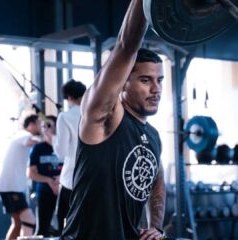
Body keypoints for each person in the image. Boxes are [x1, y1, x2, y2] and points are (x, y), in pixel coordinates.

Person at [61, 1, 166, 239]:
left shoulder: (153, 136)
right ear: (124, 83)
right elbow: (125, 47)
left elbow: (157, 184)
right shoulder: (105, 119)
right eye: (146, 80)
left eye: (160, 81)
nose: (156, 89)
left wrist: (156, 227)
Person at [0, 114, 41, 240]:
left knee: (17, 223)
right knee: (29, 220)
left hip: (9, 186)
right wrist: (48, 138)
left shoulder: (19, 135)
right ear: (31, 125)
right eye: (39, 123)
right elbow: (31, 142)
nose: (41, 126)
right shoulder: (25, 135)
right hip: (10, 186)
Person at [53, 79, 86, 235]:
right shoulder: (97, 114)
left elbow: (61, 152)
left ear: (69, 97)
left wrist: (52, 136)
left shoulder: (64, 117)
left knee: (64, 223)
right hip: (94, 179)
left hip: (71, 180)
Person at [27, 115, 62, 237]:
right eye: (43, 126)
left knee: (65, 228)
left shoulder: (63, 146)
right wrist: (48, 180)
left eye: (49, 125)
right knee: (42, 229)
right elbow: (30, 173)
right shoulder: (38, 148)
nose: (45, 128)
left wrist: (59, 180)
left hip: (63, 190)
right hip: (44, 191)